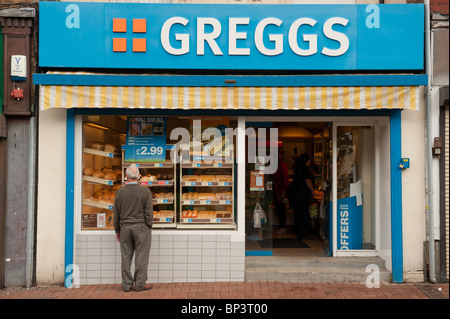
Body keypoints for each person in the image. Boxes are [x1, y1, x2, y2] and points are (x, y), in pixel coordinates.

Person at [113, 164, 153, 292]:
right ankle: (140, 284)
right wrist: (149, 225)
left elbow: (116, 213)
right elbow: (149, 212)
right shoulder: (145, 191)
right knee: (141, 256)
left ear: (126, 176)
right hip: (141, 227)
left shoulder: (120, 192)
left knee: (126, 256)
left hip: (125, 227)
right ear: (139, 176)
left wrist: (117, 229)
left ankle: (126, 284)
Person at [287, 153, 314, 240]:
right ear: (307, 160)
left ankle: (299, 232)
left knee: (297, 214)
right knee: (303, 215)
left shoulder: (297, 169)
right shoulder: (305, 169)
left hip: (296, 196)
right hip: (303, 195)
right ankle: (303, 233)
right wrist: (312, 190)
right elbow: (307, 180)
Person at [273, 149, 289, 235]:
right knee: (279, 210)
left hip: (280, 192)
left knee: (281, 210)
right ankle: (281, 227)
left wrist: (283, 192)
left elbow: (285, 180)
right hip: (277, 192)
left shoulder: (282, 166)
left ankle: (283, 228)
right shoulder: (278, 166)